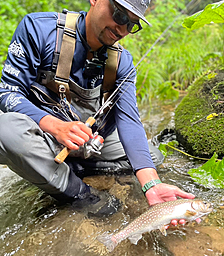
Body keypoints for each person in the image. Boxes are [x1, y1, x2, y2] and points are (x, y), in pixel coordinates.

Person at [0, 0, 195, 222]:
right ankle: (82, 194)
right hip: (45, 134)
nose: (122, 31)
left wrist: (152, 184)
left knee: (151, 158)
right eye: (120, 15)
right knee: (4, 129)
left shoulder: (122, 63)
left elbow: (129, 122)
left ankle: (62, 166)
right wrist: (56, 126)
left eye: (132, 25)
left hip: (94, 139)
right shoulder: (38, 30)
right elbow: (7, 93)